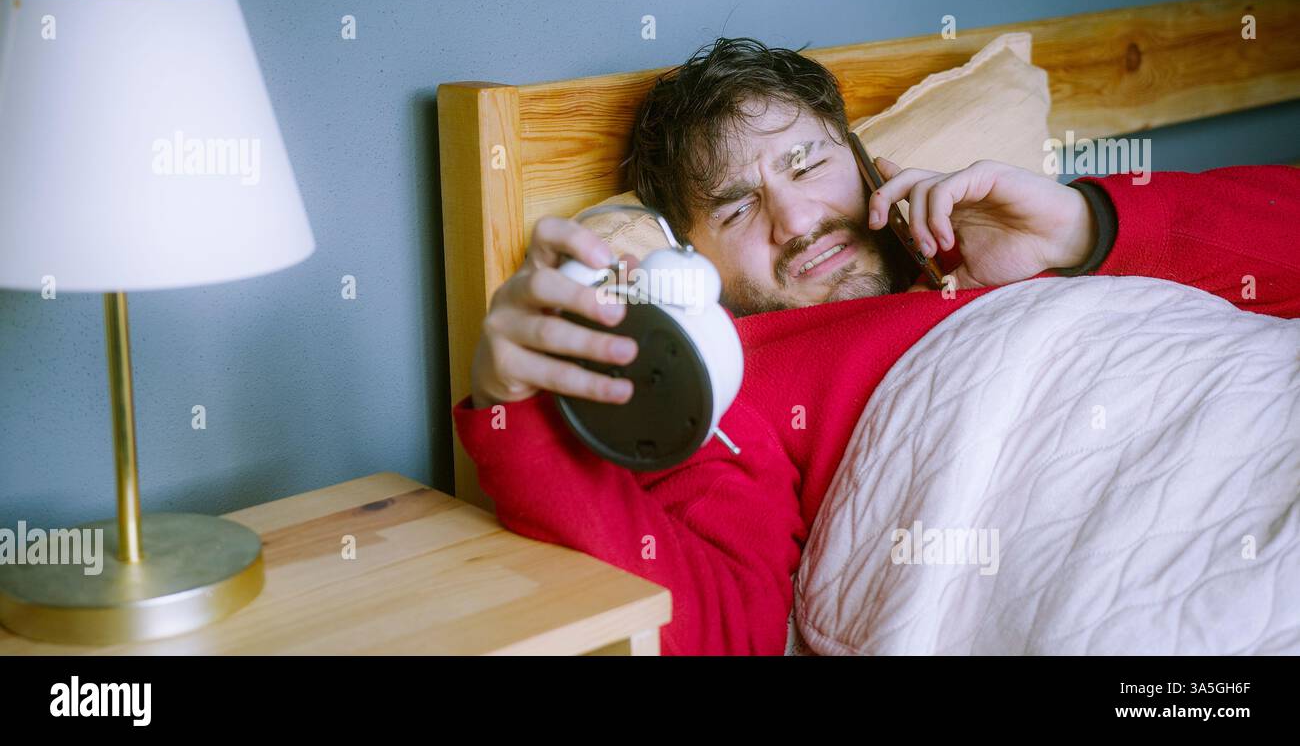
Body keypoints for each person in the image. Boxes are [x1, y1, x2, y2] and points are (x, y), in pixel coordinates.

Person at [455, 37, 1300, 655]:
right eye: (737, 207)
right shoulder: (738, 385)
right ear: (688, 257)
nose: (794, 219)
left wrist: (1079, 229)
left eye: (807, 162)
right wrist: (514, 411)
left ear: (863, 163)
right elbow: (729, 628)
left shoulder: (1024, 244)